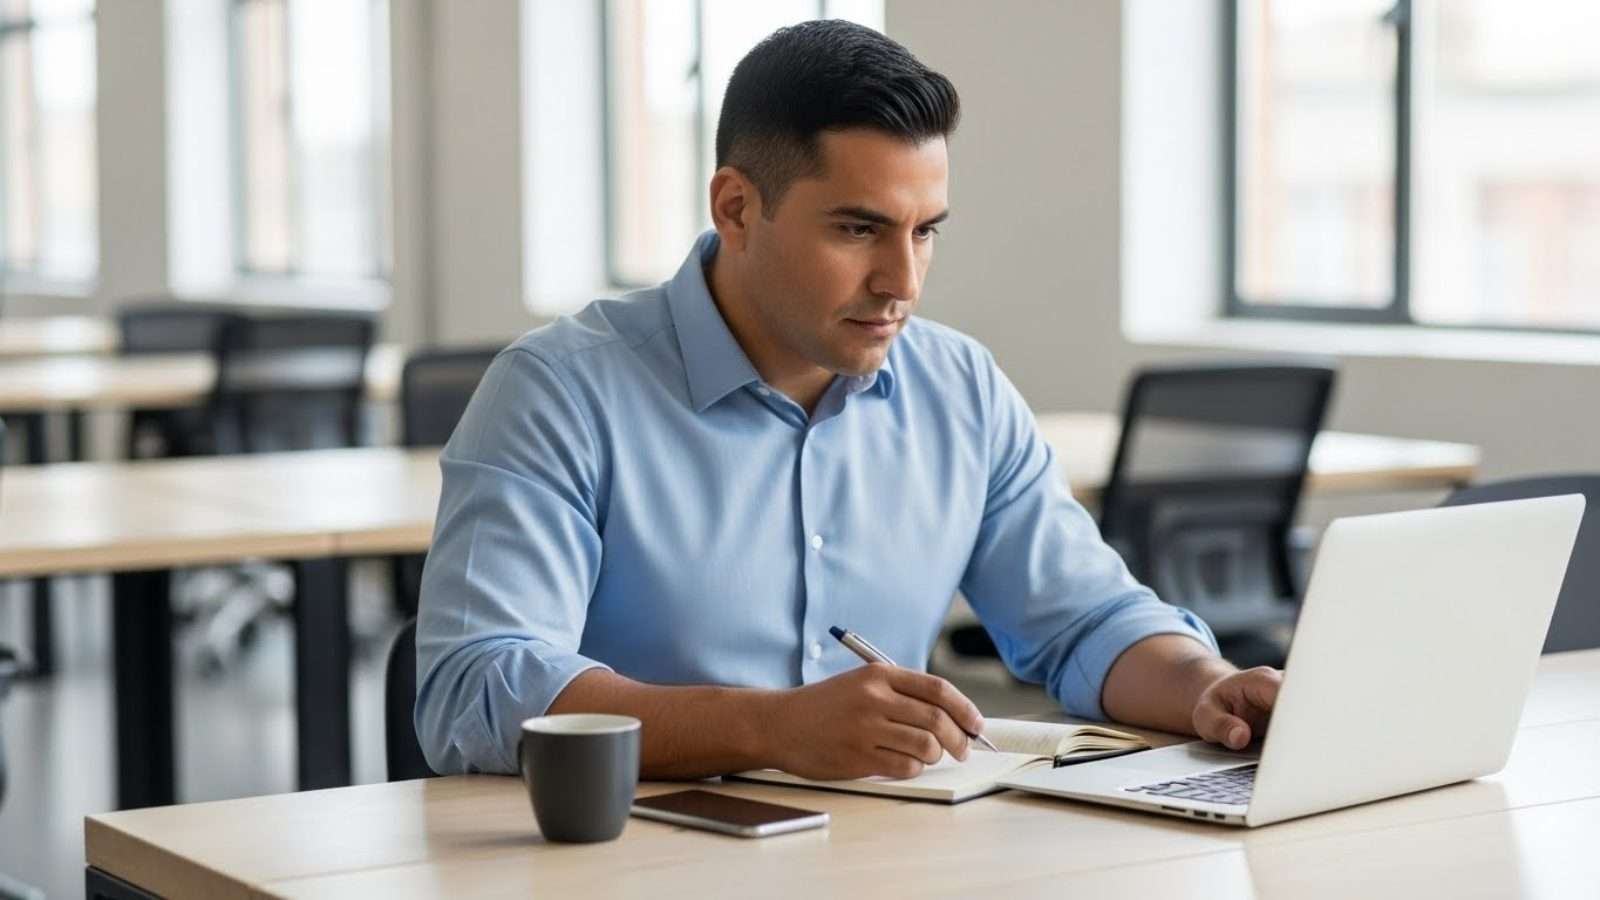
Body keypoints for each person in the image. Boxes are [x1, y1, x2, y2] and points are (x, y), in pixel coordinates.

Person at [416, 19, 1281, 779]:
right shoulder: (559, 391)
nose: (901, 281)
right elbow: (475, 687)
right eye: (858, 228)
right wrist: (768, 728)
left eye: (925, 231)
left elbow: (1085, 619)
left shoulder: (961, 388)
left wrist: (1207, 689)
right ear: (736, 208)